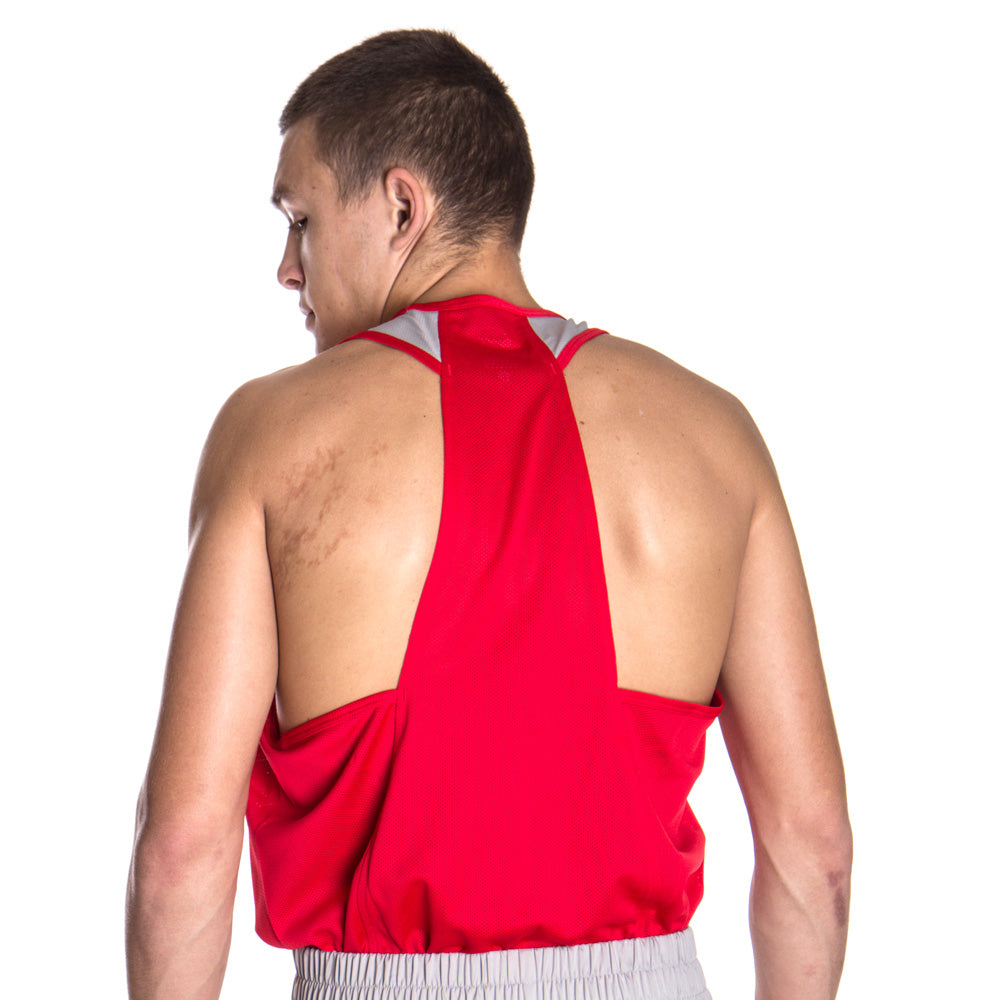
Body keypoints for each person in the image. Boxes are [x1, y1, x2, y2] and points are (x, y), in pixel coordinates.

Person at [125, 28, 852, 1000]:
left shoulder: (276, 433)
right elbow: (813, 846)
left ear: (401, 206)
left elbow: (182, 845)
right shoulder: (713, 436)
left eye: (301, 219)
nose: (287, 268)